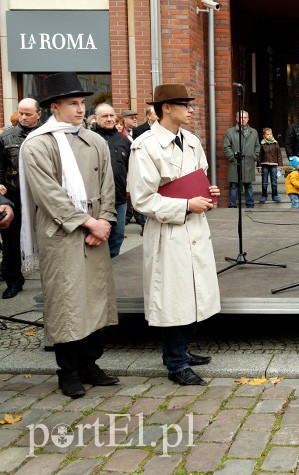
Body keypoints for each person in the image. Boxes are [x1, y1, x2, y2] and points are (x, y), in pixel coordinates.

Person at [19, 72, 119, 398]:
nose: (80, 109)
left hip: (95, 234)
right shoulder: (38, 144)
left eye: (82, 103)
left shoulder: (95, 141)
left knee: (96, 301)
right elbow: (49, 195)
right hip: (62, 235)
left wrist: (104, 220)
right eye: (72, 103)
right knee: (66, 302)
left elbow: (107, 187)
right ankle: (68, 371)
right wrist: (88, 223)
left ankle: (91, 363)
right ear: (54, 107)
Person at [127, 83, 221, 387]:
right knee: (174, 298)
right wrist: (185, 205)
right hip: (168, 232)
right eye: (185, 104)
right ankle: (176, 362)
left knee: (197, 295)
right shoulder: (145, 145)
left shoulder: (191, 140)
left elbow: (200, 177)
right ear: (166, 108)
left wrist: (209, 193)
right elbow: (142, 199)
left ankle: (180, 351)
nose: (191, 110)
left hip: (195, 227)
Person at [0, 99, 41, 299]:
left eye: (28, 114)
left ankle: (51, 281)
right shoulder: (6, 137)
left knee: (47, 240)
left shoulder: (47, 135)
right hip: (14, 197)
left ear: (39, 114)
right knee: (10, 242)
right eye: (21, 113)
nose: (23, 117)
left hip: (41, 198)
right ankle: (13, 281)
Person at [91, 103, 131, 257]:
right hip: (95, 200)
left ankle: (113, 266)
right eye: (104, 116)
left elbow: (130, 168)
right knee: (96, 237)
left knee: (117, 236)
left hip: (118, 199)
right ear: (96, 118)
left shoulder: (124, 141)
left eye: (111, 115)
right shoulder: (89, 139)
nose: (109, 119)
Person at [222, 110, 259, 208]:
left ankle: (250, 206)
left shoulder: (253, 132)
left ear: (248, 118)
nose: (243, 120)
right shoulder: (229, 132)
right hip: (235, 163)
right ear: (237, 119)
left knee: (248, 186)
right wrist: (233, 158)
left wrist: (254, 157)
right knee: (234, 185)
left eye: (245, 118)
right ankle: (232, 206)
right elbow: (226, 147)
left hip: (248, 163)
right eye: (241, 118)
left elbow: (257, 146)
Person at [259, 127, 283, 203]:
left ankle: (275, 195)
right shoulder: (262, 144)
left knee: (274, 181)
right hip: (264, 164)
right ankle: (264, 195)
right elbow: (259, 156)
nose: (269, 135)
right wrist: (259, 166)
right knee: (264, 181)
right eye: (267, 134)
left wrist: (280, 165)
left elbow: (279, 155)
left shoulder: (275, 144)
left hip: (274, 164)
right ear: (264, 136)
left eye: (270, 134)